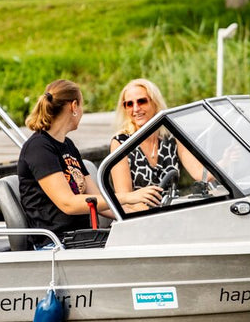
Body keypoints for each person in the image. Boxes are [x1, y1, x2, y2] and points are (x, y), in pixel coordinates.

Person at [19, 79, 159, 246]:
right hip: (56, 244)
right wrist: (128, 197)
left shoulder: (68, 145)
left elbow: (100, 201)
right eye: (81, 106)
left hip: (82, 239)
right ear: (74, 106)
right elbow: (68, 204)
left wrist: (134, 216)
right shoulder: (39, 148)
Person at [110, 78, 206, 196]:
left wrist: (227, 161)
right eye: (129, 104)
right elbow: (124, 198)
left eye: (142, 101)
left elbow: (199, 173)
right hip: (139, 212)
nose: (135, 109)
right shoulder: (121, 142)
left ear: (155, 103)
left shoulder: (171, 137)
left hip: (173, 208)